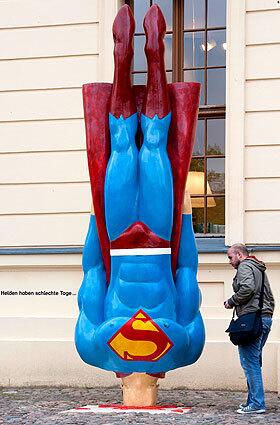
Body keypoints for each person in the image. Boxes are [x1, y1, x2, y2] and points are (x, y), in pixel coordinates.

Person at [224, 243, 274, 414]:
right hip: (264, 318)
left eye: (230, 257)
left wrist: (231, 301)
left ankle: (257, 404)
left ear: (239, 254)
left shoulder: (245, 267)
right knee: (253, 361)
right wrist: (266, 314)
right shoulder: (258, 268)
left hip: (253, 320)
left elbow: (247, 288)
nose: (229, 261)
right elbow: (269, 296)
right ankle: (251, 401)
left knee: (249, 362)